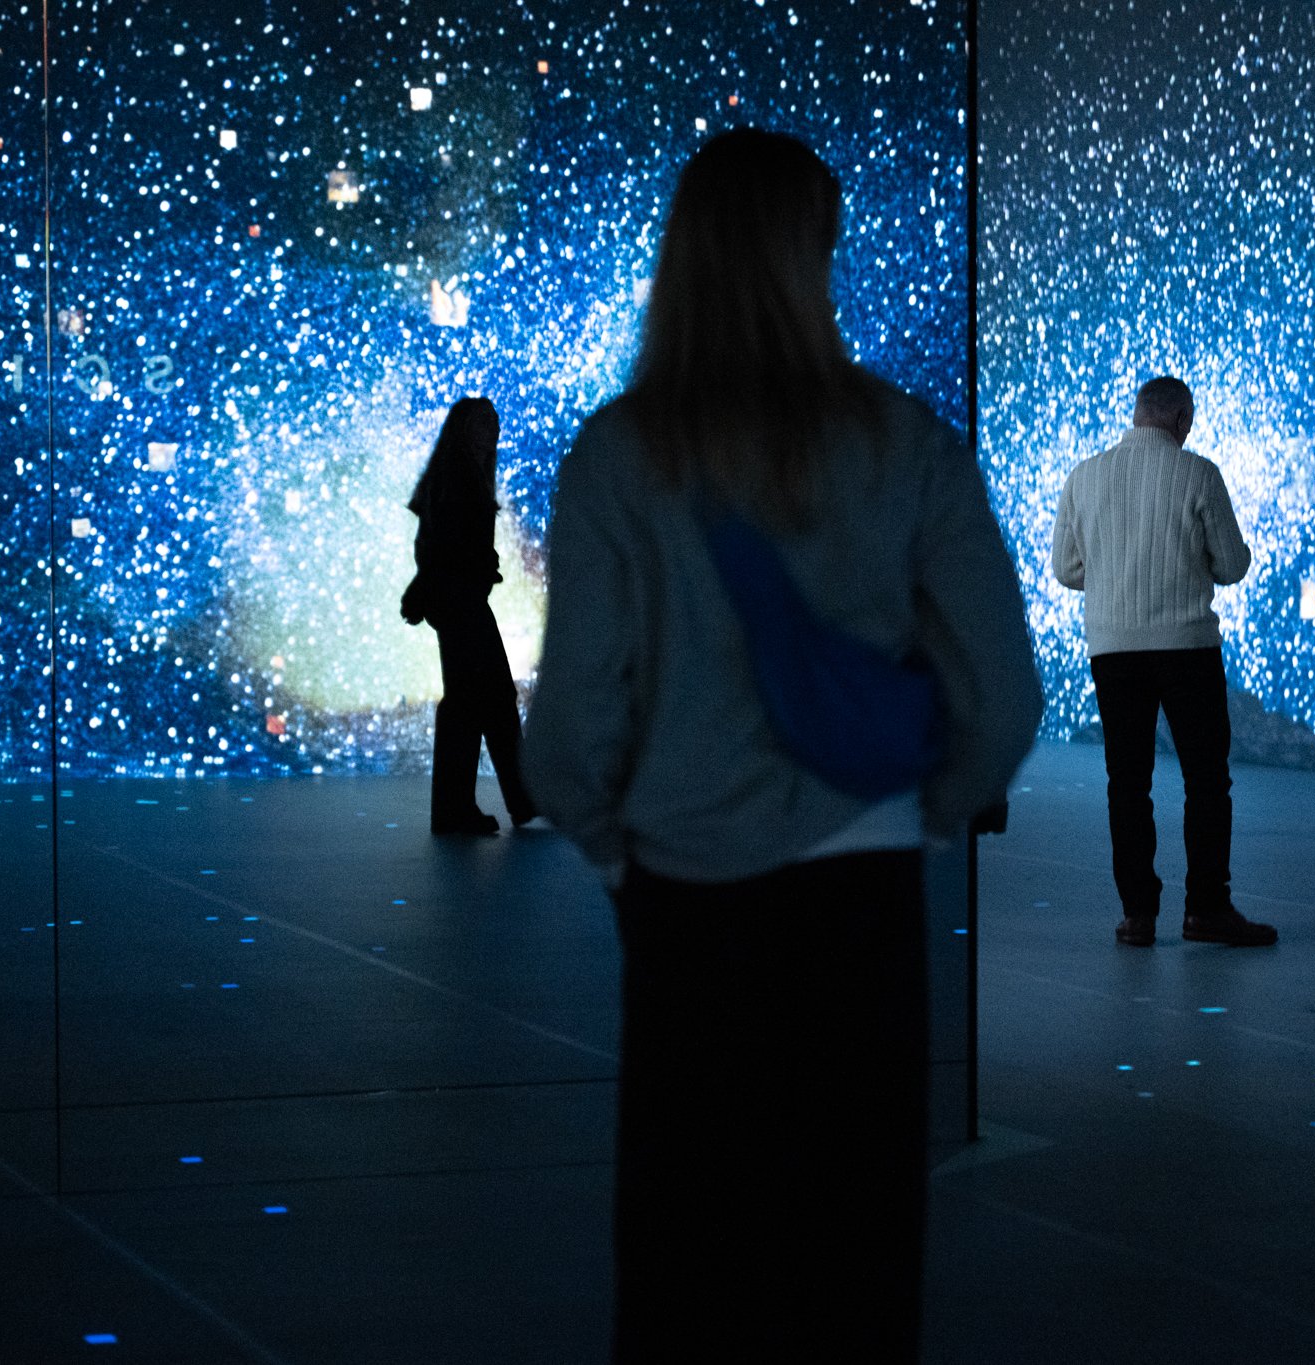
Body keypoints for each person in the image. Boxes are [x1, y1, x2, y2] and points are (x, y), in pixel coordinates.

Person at [522, 130, 1042, 1364]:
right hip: (859, 897)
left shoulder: (618, 455)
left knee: (686, 1260)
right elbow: (1003, 692)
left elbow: (573, 718)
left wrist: (606, 843)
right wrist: (926, 812)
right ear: (814, 256)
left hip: (685, 904)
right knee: (849, 1258)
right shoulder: (902, 443)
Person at [1050, 375, 1276, 948]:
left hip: (1112, 649)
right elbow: (1230, 566)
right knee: (1206, 780)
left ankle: (1137, 916)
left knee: (1127, 783)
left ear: (1136, 415)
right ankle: (1206, 909)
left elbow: (1065, 570)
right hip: (1187, 648)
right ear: (1182, 420)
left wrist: (1115, 577)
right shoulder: (1198, 473)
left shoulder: (1084, 477)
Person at [400, 396, 537, 835]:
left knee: (481, 700)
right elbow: (443, 544)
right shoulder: (462, 476)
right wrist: (475, 572)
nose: (493, 429)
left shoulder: (459, 473)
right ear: (465, 430)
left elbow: (435, 543)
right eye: (484, 423)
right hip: (460, 600)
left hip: (457, 599)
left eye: (494, 422)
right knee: (480, 700)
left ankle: (495, 802)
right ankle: (485, 804)